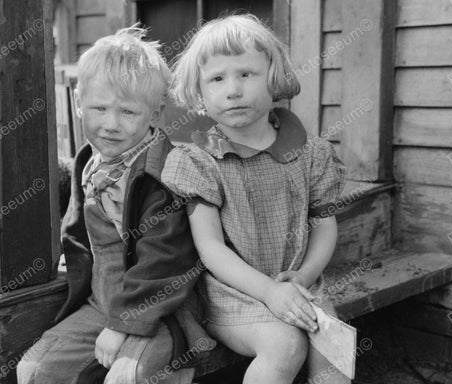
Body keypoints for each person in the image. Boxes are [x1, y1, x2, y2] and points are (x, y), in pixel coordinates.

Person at [17, 25, 215, 384]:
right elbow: (79, 230)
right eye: (99, 108)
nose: (110, 124)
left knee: (126, 377)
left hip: (160, 309)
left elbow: (165, 258)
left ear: (154, 115)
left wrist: (124, 324)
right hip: (100, 302)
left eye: (127, 112)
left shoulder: (161, 174)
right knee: (33, 371)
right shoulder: (89, 163)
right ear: (78, 104)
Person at [161, 14, 349, 384]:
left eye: (246, 74)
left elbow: (324, 224)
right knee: (285, 344)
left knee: (335, 349)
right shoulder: (199, 160)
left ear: (273, 76)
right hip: (233, 296)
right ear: (199, 92)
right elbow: (211, 248)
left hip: (298, 283)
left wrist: (302, 278)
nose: (232, 90)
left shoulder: (310, 153)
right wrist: (269, 292)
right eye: (217, 78)